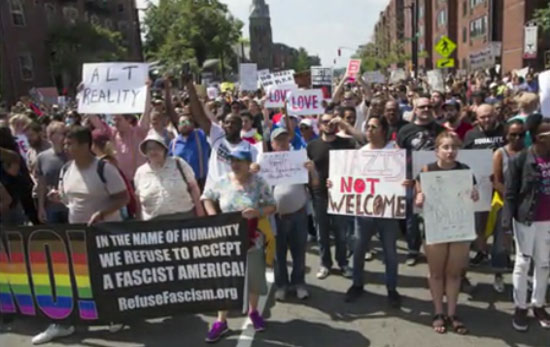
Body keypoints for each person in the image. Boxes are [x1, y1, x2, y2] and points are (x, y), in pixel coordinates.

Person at [32, 126, 129, 345]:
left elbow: (123, 198)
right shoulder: (66, 169)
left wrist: (101, 213)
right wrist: (58, 198)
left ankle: (115, 313)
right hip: (76, 234)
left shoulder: (104, 168)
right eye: (66, 144)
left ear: (85, 145)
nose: (66, 148)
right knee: (77, 277)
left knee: (107, 275)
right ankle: (64, 322)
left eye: (71, 144)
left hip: (105, 233)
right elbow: (70, 200)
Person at [201, 149, 276, 343]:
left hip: (253, 239)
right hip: (227, 240)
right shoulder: (223, 180)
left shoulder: (259, 182)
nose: (235, 164)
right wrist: (212, 215)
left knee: (253, 277)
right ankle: (221, 321)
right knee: (226, 279)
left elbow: (272, 205)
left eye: (240, 161)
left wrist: (258, 211)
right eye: (232, 160)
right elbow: (206, 197)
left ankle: (253, 312)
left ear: (248, 163)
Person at [415, 131, 479, 335]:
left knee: (453, 273)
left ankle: (452, 314)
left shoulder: (466, 171)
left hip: (459, 229)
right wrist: (418, 199)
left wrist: (474, 195)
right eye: (446, 147)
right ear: (437, 151)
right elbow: (418, 201)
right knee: (436, 273)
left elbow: (472, 197)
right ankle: (438, 312)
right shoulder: (426, 171)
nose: (450, 151)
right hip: (436, 228)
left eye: (454, 147)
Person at [343, 115, 402, 308]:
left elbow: (401, 175)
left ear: (383, 131)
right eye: (367, 127)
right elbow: (353, 180)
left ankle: (392, 289)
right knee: (359, 249)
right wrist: (335, 184)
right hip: (365, 211)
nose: (369, 130)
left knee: (390, 253)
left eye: (374, 127)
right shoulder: (361, 152)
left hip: (388, 211)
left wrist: (405, 181)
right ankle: (357, 283)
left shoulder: (394, 151)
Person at [502, 114, 550, 332]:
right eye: (545, 134)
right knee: (522, 262)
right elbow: (510, 193)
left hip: (547, 221)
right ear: (535, 136)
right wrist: (506, 223)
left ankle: (538, 304)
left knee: (544, 263)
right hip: (526, 219)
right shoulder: (520, 160)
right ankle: (520, 306)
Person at [397, 96, 446, 266]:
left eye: (429, 106)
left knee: (434, 215)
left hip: (436, 178)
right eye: (422, 106)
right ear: (415, 109)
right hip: (411, 179)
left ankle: (434, 250)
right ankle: (413, 250)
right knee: (411, 217)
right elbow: (398, 155)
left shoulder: (441, 131)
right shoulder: (405, 130)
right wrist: (401, 176)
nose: (426, 109)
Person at [307, 113, 355, 279]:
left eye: (332, 121)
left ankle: (343, 263)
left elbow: (363, 141)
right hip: (320, 195)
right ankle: (325, 264)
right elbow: (309, 171)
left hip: (341, 195)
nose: (329, 124)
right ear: (319, 125)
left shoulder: (347, 143)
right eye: (325, 122)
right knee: (322, 233)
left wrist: (344, 123)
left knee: (341, 233)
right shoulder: (312, 146)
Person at [270, 128, 315, 301]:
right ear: (273, 144)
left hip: (298, 214)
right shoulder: (265, 162)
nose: (282, 143)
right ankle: (282, 285)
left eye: (284, 140)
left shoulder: (299, 159)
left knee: (299, 252)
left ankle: (299, 283)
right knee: (278, 254)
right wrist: (255, 170)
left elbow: (315, 183)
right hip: (276, 217)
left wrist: (311, 170)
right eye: (278, 140)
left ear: (289, 142)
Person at [134, 132, 204, 220]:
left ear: (164, 149)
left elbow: (193, 187)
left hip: (184, 218)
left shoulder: (178, 163)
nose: (153, 151)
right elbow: (138, 200)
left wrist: (200, 213)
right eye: (149, 149)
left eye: (156, 148)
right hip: (153, 223)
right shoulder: (140, 172)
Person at [490, 119, 525, 293]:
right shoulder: (500, 153)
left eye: (521, 134)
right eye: (513, 134)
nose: (517, 138)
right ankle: (498, 274)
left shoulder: (529, 153)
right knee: (501, 242)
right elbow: (497, 181)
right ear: (506, 135)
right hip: (505, 203)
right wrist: (512, 199)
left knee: (523, 242)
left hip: (526, 205)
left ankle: (523, 279)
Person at [35, 121, 69, 224]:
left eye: (65, 133)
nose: (64, 137)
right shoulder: (42, 157)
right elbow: (41, 184)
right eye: (61, 133)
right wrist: (41, 207)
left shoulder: (72, 155)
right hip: (51, 208)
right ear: (51, 136)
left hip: (70, 207)